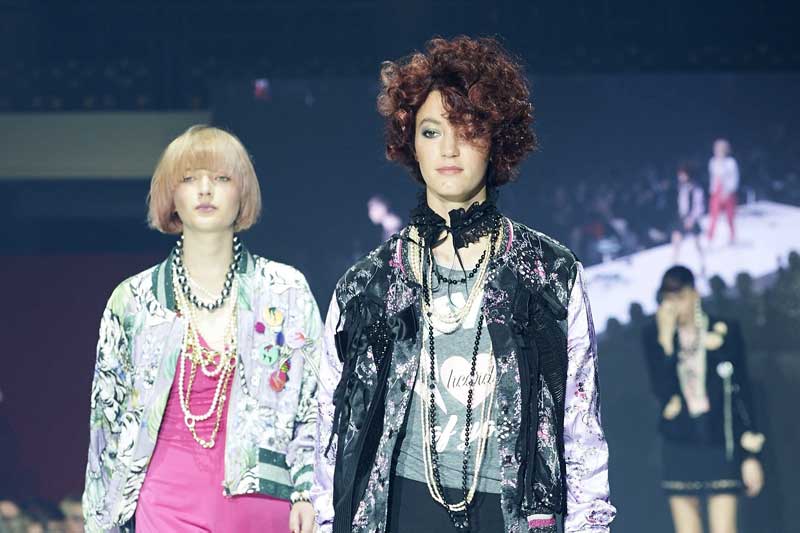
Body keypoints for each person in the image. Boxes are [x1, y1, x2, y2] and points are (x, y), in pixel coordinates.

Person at [312, 36, 615, 533]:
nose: (449, 149)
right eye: (431, 131)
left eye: (468, 128)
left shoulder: (547, 274)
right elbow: (333, 423)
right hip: (400, 509)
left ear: (497, 139)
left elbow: (580, 422)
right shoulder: (369, 285)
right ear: (410, 142)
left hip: (510, 511)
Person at [82, 125, 321, 533]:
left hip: (262, 503)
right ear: (171, 195)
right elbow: (106, 421)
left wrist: (307, 492)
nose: (205, 190)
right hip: (165, 502)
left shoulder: (285, 291)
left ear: (242, 193)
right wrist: (100, 522)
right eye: (190, 178)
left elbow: (314, 402)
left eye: (222, 178)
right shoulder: (134, 301)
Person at [643, 266, 765, 533]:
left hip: (719, 441)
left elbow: (742, 393)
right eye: (668, 299)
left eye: (680, 297)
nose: (674, 306)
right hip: (679, 443)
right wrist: (666, 342)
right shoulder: (654, 336)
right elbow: (661, 393)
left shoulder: (724, 330)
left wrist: (750, 455)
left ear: (695, 294)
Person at [671, 166, 705, 269]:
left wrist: (691, 219)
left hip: (692, 219)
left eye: (682, 175)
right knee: (676, 239)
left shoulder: (696, 189)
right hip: (683, 218)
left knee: (697, 244)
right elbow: (682, 204)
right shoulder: (682, 187)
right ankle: (674, 264)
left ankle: (702, 265)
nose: (680, 177)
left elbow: (699, 206)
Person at [707, 139, 739, 245]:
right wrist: (713, 191)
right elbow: (713, 177)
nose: (718, 151)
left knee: (730, 217)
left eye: (720, 149)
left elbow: (734, 178)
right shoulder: (713, 162)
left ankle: (732, 237)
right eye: (716, 149)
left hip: (728, 192)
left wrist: (728, 191)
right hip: (716, 192)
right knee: (713, 216)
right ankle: (710, 238)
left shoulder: (731, 162)